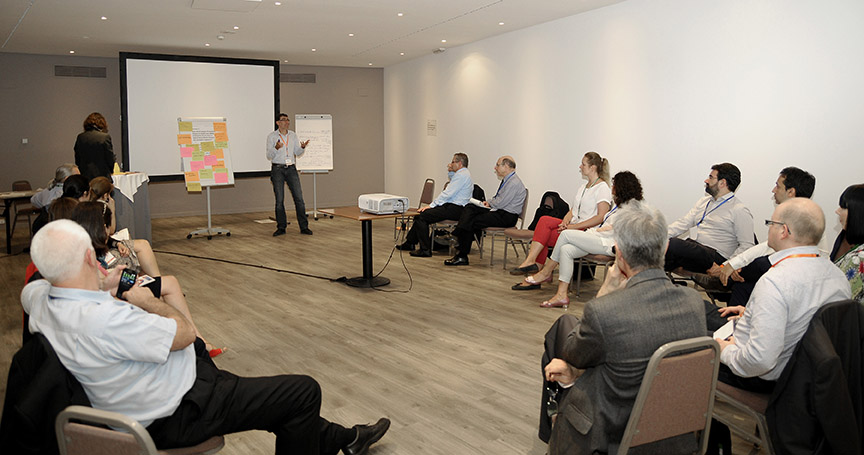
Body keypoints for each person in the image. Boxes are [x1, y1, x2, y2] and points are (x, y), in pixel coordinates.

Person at [23, 219, 390, 454]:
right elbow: (183, 332)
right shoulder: (106, 320)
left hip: (173, 384)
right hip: (181, 409)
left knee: (278, 406)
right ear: (91, 257)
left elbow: (38, 287)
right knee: (302, 392)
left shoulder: (41, 300)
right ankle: (345, 438)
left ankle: (345, 438)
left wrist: (104, 285)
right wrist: (144, 300)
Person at [542, 201, 705, 454]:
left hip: (613, 427)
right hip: (669, 427)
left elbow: (573, 353)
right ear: (665, 247)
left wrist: (605, 291)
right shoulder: (695, 303)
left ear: (620, 254)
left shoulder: (605, 311)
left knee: (561, 351)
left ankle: (553, 433)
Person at [714, 198, 851, 393]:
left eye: (771, 223)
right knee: (711, 315)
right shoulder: (837, 276)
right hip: (805, 373)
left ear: (783, 231)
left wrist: (726, 351)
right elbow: (806, 318)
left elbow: (758, 361)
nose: (769, 228)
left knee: (687, 340)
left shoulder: (776, 281)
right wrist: (752, 312)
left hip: (764, 377)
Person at [698, 167, 816, 329]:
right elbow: (767, 245)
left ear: (791, 192)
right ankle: (731, 327)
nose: (773, 190)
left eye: (778, 186)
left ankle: (724, 284)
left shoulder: (806, 218)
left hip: (791, 281)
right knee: (742, 286)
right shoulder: (790, 213)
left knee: (758, 264)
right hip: (779, 275)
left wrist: (733, 266)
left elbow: (772, 251)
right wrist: (733, 264)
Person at [512, 171, 643, 308]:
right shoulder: (619, 205)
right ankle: (561, 295)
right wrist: (601, 229)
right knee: (566, 249)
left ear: (622, 187)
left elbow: (623, 229)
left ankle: (546, 272)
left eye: (614, 185)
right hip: (598, 238)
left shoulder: (632, 208)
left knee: (566, 234)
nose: (612, 188)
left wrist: (603, 229)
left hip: (608, 244)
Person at [510, 152, 611, 275]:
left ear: (593, 167)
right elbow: (573, 210)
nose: (580, 167)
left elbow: (601, 217)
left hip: (586, 231)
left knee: (544, 235)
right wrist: (564, 221)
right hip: (574, 226)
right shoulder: (583, 187)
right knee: (544, 220)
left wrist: (573, 227)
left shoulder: (602, 188)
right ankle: (531, 263)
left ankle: (537, 269)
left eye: (583, 164)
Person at [665, 162, 755, 274]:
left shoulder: (739, 210)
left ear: (722, 183)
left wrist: (726, 266)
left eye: (711, 177)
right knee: (654, 254)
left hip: (715, 257)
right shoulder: (704, 201)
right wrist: (658, 237)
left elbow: (747, 245)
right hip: (694, 250)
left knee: (674, 244)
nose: (706, 181)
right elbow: (684, 223)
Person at [444, 156, 527, 266]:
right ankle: (458, 237)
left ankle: (461, 252)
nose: (495, 167)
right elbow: (499, 200)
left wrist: (489, 203)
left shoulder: (514, 183)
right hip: (500, 212)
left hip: (507, 216)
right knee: (470, 208)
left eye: (497, 165)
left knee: (472, 220)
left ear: (506, 166)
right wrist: (488, 203)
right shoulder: (508, 180)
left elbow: (501, 202)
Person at [396, 153, 473, 257]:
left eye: (453, 162)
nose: (451, 164)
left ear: (459, 163)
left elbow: (447, 193)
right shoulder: (462, 174)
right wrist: (451, 171)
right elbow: (452, 183)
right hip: (454, 207)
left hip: (455, 208)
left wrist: (432, 205)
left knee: (422, 216)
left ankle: (425, 249)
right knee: (421, 215)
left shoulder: (461, 175)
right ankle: (410, 243)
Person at [267, 113, 312, 236]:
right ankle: (281, 227)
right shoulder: (271, 137)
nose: (286, 122)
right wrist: (275, 148)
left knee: (299, 198)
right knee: (280, 200)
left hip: (291, 168)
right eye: (283, 120)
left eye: (287, 120)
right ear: (278, 123)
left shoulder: (293, 135)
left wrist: (302, 147)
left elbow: (297, 152)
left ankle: (304, 227)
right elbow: (269, 155)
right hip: (278, 169)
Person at [830, 184, 864, 302]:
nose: (838, 211)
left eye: (843, 207)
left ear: (858, 212)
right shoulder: (843, 239)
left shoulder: (859, 259)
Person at [30, 163, 80, 234]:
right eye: (77, 177)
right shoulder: (66, 194)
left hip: (40, 227)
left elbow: (33, 200)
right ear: (67, 179)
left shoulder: (47, 190)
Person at [74, 112, 116, 181]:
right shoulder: (105, 137)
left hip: (85, 176)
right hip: (102, 176)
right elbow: (109, 159)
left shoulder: (80, 137)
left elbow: (77, 158)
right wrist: (110, 170)